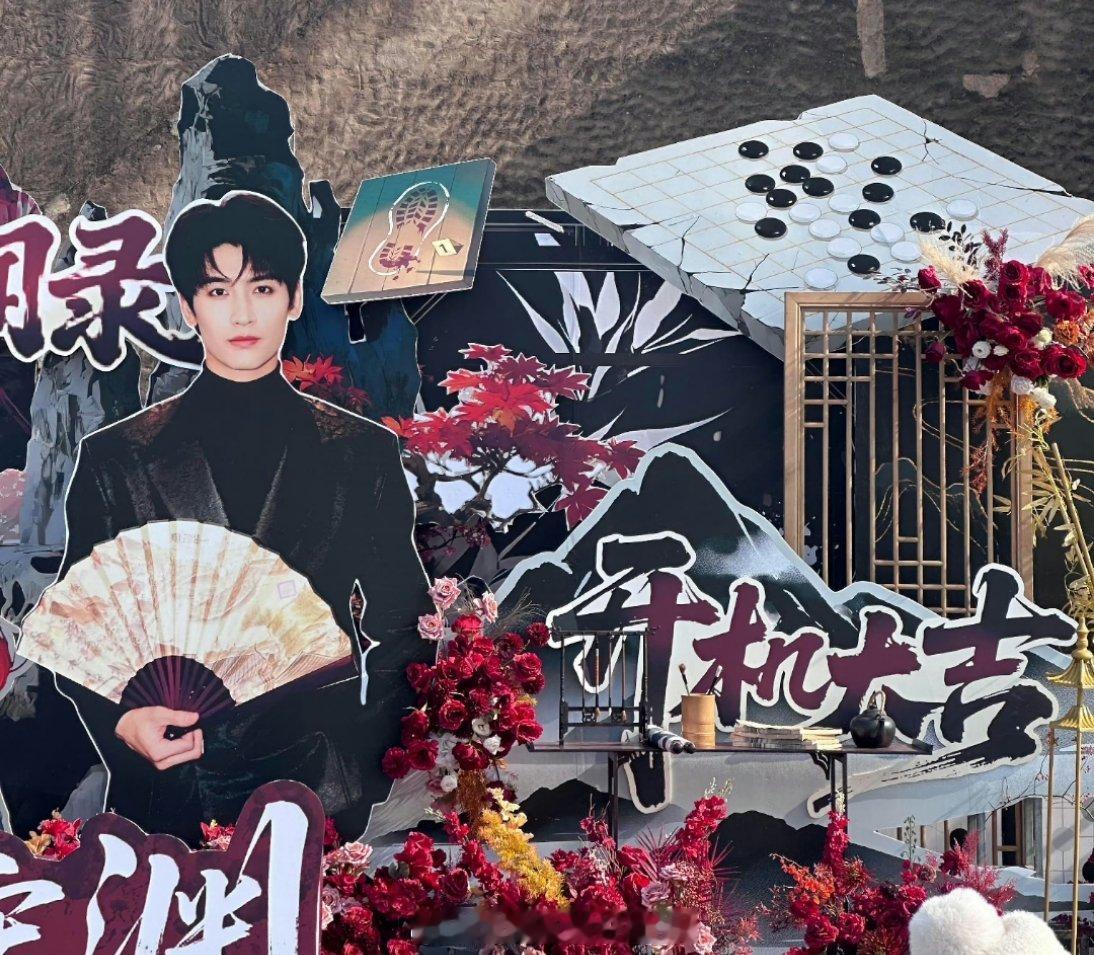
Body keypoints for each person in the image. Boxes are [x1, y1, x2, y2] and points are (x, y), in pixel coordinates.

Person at [34, 191, 433, 842]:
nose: (242, 313)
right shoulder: (117, 459)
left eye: (263, 288)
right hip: (164, 794)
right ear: (189, 307)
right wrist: (124, 722)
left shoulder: (360, 453)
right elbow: (77, 629)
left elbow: (402, 620)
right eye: (218, 291)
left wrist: (361, 759)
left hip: (318, 785)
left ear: (295, 300)